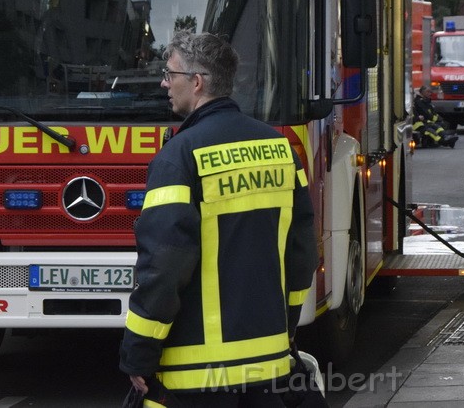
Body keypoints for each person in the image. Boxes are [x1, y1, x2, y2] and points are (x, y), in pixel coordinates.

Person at [119, 31, 318, 406]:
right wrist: (286, 325)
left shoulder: (179, 156)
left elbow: (163, 268)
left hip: (196, 375)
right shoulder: (279, 149)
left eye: (169, 74)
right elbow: (302, 253)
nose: (164, 82)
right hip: (269, 366)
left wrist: (138, 355)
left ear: (196, 82)